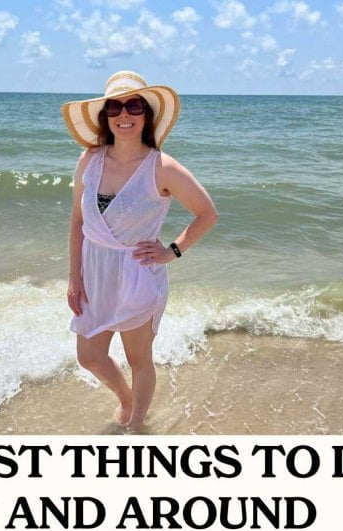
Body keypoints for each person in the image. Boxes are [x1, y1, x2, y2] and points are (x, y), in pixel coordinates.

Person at [61, 71, 218, 428]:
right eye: (115, 107)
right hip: (95, 273)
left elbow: (207, 214)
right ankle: (127, 399)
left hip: (137, 276)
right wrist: (74, 278)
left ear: (146, 115)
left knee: (139, 360)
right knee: (89, 356)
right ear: (105, 116)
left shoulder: (162, 167)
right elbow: (76, 223)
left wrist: (171, 252)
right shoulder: (89, 159)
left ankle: (135, 429)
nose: (124, 114)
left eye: (134, 105)